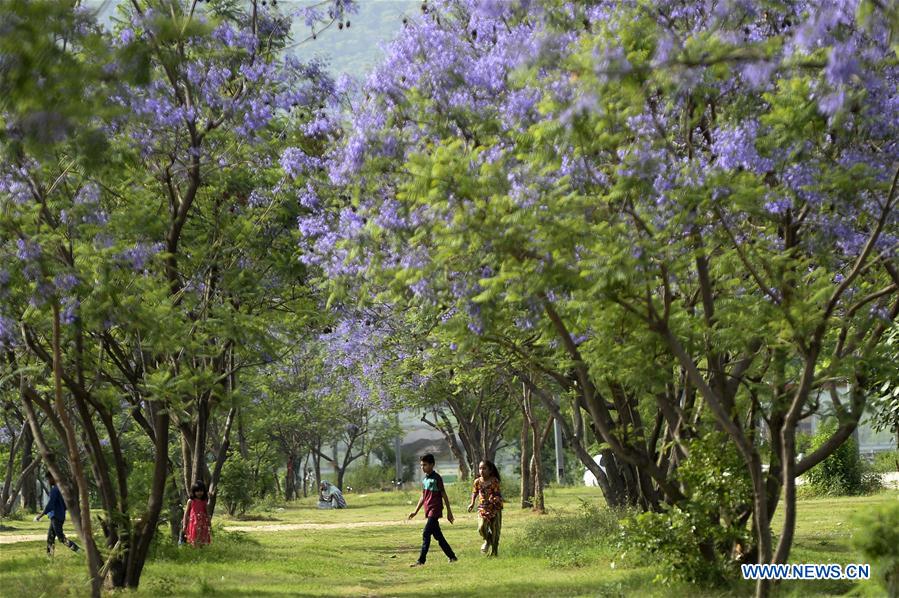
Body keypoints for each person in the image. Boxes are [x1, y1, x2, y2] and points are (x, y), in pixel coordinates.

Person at [408, 453, 457, 567]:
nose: (422, 467)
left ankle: (421, 561)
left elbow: (444, 495)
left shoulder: (437, 478)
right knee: (438, 536)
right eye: (421, 465)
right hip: (428, 510)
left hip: (435, 510)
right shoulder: (425, 480)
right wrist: (415, 511)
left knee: (426, 533)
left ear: (432, 465)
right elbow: (423, 496)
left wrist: (449, 512)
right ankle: (452, 557)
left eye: (425, 465)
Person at [35, 471, 80, 555]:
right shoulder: (61, 489)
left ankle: (79, 551)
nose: (48, 481)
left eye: (48, 479)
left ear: (52, 478)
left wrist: (40, 515)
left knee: (61, 538)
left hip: (56, 517)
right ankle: (49, 557)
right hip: (59, 516)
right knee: (50, 538)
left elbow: (50, 505)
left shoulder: (55, 490)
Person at [467, 460, 504, 556]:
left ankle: (494, 552)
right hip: (483, 508)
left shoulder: (494, 481)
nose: (481, 471)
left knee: (495, 530)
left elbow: (496, 493)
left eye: (484, 468)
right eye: (480, 468)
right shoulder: (477, 481)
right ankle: (487, 540)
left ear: (490, 470)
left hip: (495, 508)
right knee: (481, 527)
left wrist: (494, 498)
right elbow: (474, 492)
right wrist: (472, 503)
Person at [181, 481, 211, 546]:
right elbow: (186, 514)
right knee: (194, 540)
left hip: (202, 524)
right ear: (194, 492)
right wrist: (184, 525)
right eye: (197, 491)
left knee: (202, 541)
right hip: (193, 524)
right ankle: (194, 552)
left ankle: (201, 553)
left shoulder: (204, 502)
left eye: (201, 491)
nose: (199, 493)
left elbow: (207, 513)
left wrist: (209, 523)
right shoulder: (191, 501)